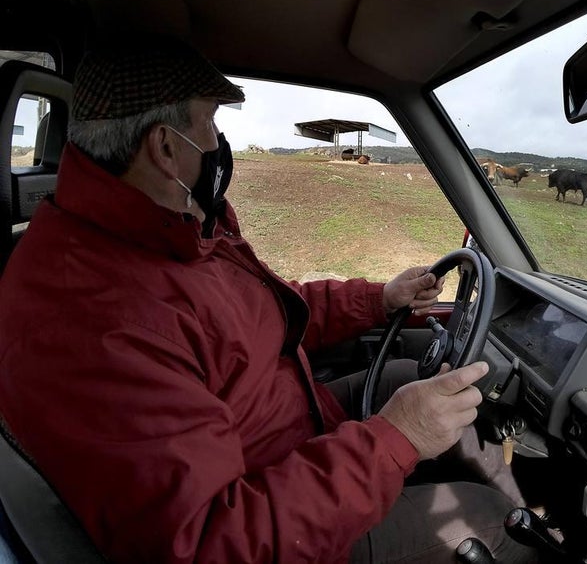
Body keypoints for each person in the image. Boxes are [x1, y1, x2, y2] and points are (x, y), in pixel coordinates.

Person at [0, 35, 532, 563]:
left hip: (288, 432)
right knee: (487, 520)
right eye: (210, 122)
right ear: (165, 148)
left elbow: (263, 315)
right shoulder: (102, 316)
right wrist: (397, 439)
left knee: (414, 375)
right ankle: (522, 527)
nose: (218, 140)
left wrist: (379, 300)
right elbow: (211, 544)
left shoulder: (167, 230)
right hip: (271, 516)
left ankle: (525, 510)